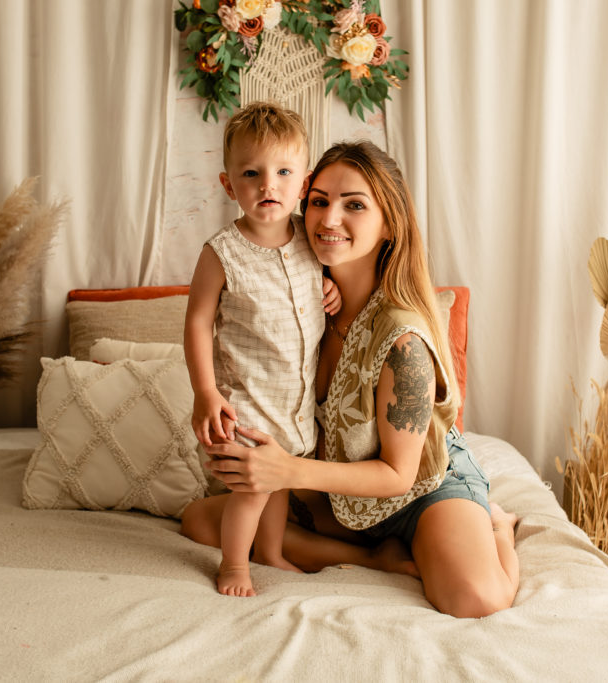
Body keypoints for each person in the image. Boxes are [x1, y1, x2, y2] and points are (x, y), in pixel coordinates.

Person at [181, 140, 520, 618]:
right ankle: (371, 559)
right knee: (199, 520)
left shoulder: (404, 339)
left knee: (476, 598)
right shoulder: (302, 293)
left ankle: (498, 527)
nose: (329, 219)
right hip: (342, 487)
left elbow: (400, 474)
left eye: (354, 205)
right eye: (318, 200)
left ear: (389, 225)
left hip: (421, 484)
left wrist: (288, 471)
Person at [184, 101, 341, 598]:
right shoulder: (222, 252)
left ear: (304, 182)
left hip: (293, 406)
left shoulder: (310, 242)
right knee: (252, 491)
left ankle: (270, 553)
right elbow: (197, 321)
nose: (267, 185)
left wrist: (331, 290)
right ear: (230, 185)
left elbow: (318, 287)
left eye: (282, 172)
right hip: (247, 402)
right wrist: (205, 392)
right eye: (251, 173)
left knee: (278, 485)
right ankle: (235, 565)